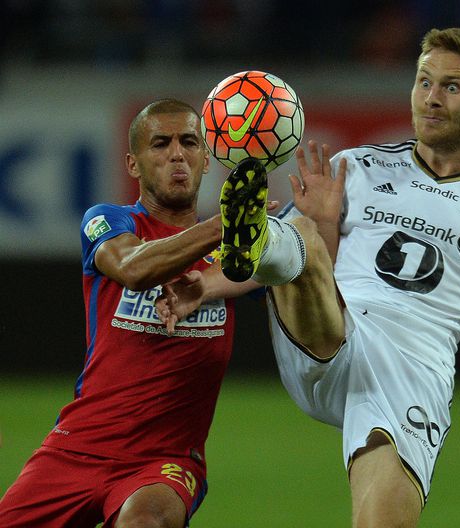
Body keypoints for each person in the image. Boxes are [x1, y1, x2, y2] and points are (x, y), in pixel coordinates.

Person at [158, 28, 460, 527]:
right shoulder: (354, 168)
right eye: (423, 82)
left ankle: (268, 237)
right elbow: (309, 264)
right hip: (328, 336)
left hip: (409, 374)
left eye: (451, 87)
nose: (431, 98)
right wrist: (204, 286)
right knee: (307, 240)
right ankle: (257, 235)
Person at [0, 98, 264, 527]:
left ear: (205, 158)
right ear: (133, 164)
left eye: (190, 142)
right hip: (75, 447)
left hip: (165, 462)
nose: (177, 153)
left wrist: (308, 227)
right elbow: (133, 268)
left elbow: (301, 262)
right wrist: (223, 226)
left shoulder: (235, 249)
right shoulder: (107, 221)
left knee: (144, 523)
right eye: (161, 144)